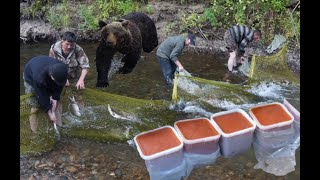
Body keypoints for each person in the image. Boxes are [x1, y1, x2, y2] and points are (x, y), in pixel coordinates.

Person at [23, 55, 68, 133]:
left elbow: (59, 87)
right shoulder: (39, 78)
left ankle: (59, 126)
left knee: (56, 103)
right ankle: (35, 132)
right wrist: (49, 111)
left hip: (48, 70)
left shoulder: (62, 68)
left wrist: (55, 98)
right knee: (35, 107)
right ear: (51, 76)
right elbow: (41, 96)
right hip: (31, 78)